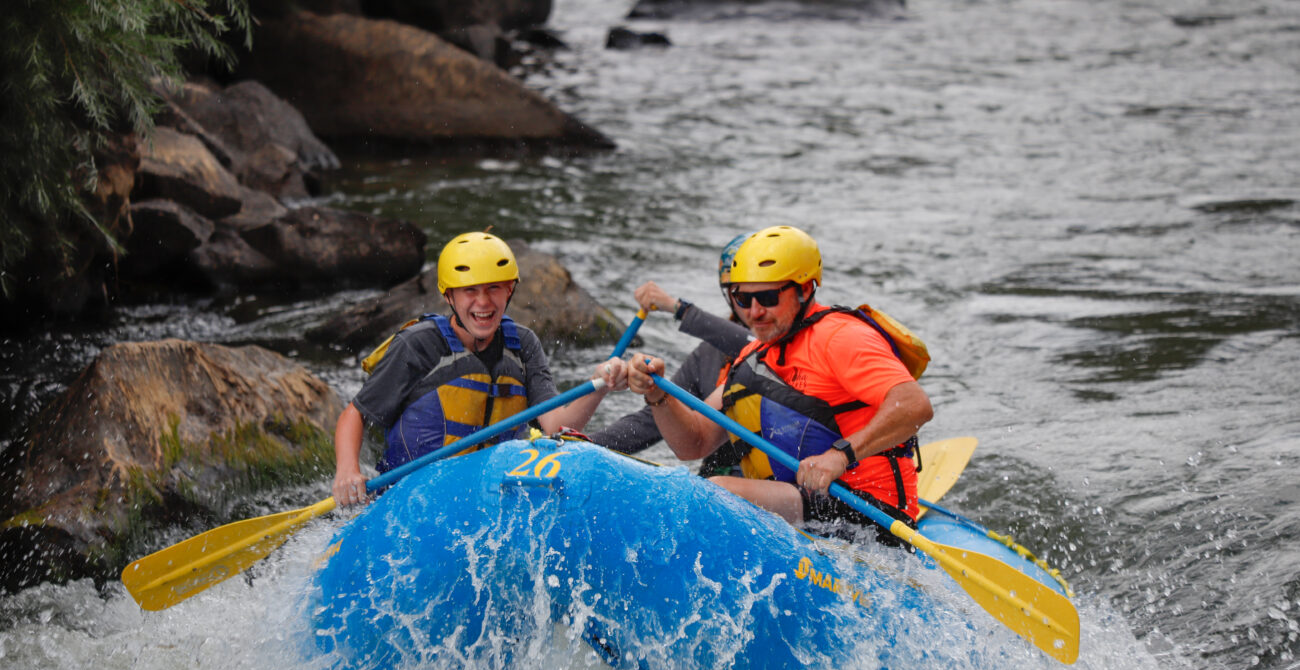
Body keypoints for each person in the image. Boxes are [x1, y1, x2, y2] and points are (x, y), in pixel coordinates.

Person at [626, 225, 934, 542]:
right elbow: (694, 443)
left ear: (805, 289)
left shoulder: (842, 337)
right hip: (803, 506)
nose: (755, 312)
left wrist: (839, 457)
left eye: (769, 297)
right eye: (742, 298)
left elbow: (915, 406)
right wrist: (657, 394)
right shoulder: (751, 356)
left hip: (870, 513)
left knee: (718, 489)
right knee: (701, 483)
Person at [332, 231, 628, 506]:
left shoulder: (523, 345)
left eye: (494, 288)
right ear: (449, 296)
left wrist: (598, 384)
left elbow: (556, 426)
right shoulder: (418, 345)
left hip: (492, 500)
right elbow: (355, 414)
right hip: (413, 499)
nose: (483, 302)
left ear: (509, 290)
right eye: (469, 290)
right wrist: (347, 470)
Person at [587, 234, 752, 475]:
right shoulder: (707, 356)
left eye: (769, 295)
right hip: (719, 480)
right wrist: (584, 445)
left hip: (767, 486)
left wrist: (679, 309)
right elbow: (653, 422)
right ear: (730, 297)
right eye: (744, 296)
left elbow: (754, 346)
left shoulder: (789, 352)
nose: (758, 308)